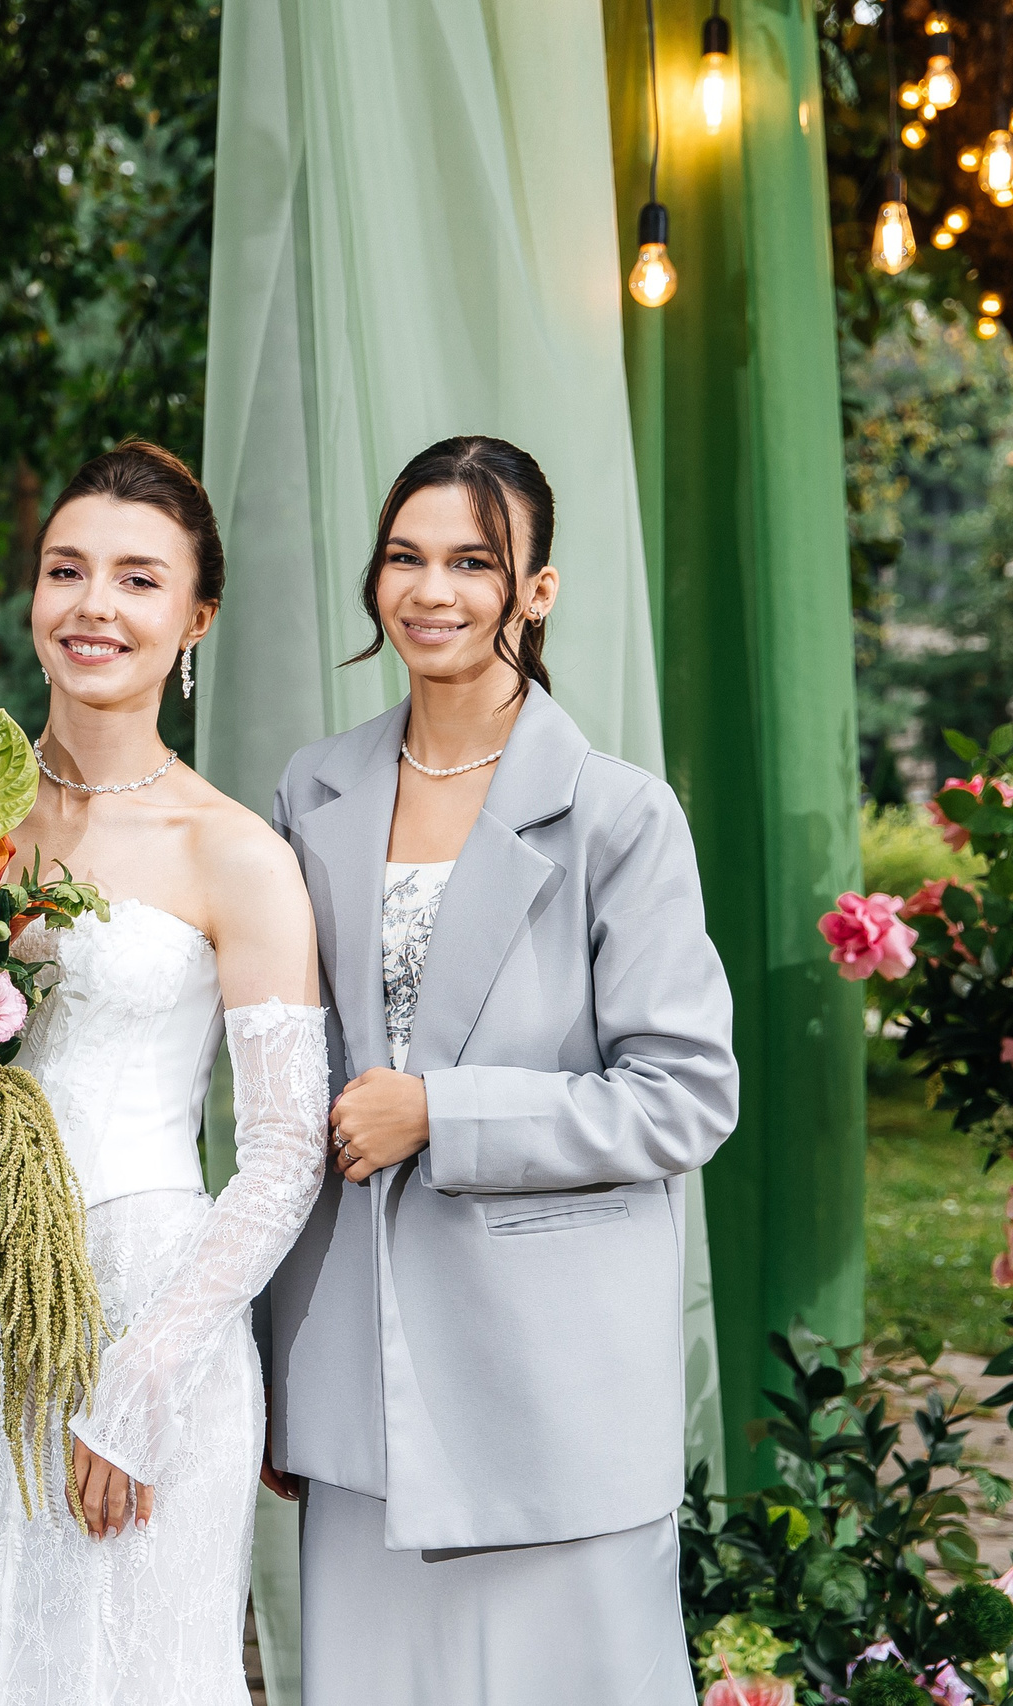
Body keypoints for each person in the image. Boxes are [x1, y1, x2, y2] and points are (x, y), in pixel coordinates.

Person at [266, 435, 738, 1703]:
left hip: (552, 1388)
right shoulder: (311, 787)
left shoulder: (618, 812)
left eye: (473, 560)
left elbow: (683, 1091)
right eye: (405, 556)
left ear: (536, 588)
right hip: (360, 1375)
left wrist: (441, 1113)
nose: (432, 589)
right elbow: (281, 1090)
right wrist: (271, 1357)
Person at [0, 440, 328, 1704]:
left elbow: (286, 1150)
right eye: (67, 570)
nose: (94, 606)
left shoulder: (234, 851)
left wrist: (139, 1381)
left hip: (144, 1314)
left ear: (196, 616)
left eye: (136, 578)